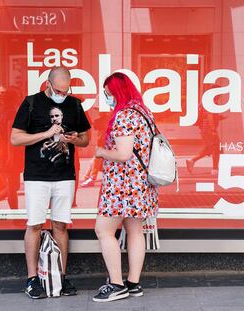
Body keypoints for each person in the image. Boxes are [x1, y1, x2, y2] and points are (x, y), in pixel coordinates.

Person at [10, 66, 91, 299]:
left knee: (61, 225)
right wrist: (45, 134)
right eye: (58, 91)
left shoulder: (74, 105)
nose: (62, 95)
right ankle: (32, 279)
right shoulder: (31, 103)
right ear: (48, 84)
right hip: (37, 175)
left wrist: (75, 138)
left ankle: (60, 277)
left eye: (66, 91)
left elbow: (85, 139)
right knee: (35, 224)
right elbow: (16, 138)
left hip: (65, 175)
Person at [93, 72, 158, 302]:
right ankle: (133, 283)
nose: (107, 97)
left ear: (117, 92)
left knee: (103, 230)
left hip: (123, 186)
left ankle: (117, 285)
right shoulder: (143, 112)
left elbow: (123, 154)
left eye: (108, 93)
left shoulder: (124, 115)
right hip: (141, 186)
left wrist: (101, 152)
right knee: (134, 231)